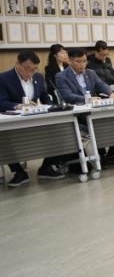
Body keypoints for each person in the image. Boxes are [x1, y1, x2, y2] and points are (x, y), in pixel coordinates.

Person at [0, 51, 65, 186]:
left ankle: (46, 167)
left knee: (60, 129)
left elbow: (44, 96)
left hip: (35, 118)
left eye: (34, 69)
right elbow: (2, 102)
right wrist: (18, 106)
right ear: (17, 64)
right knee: (4, 137)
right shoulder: (4, 78)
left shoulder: (38, 77)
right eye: (27, 68)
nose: (30, 72)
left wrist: (49, 105)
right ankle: (18, 172)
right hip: (12, 122)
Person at [56, 48, 114, 166]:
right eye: (78, 61)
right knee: (100, 123)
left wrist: (111, 93)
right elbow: (67, 96)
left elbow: (102, 85)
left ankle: (111, 153)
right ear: (70, 61)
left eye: (84, 61)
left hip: (94, 109)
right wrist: (87, 99)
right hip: (78, 112)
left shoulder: (90, 73)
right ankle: (99, 155)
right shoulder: (61, 76)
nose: (82, 64)